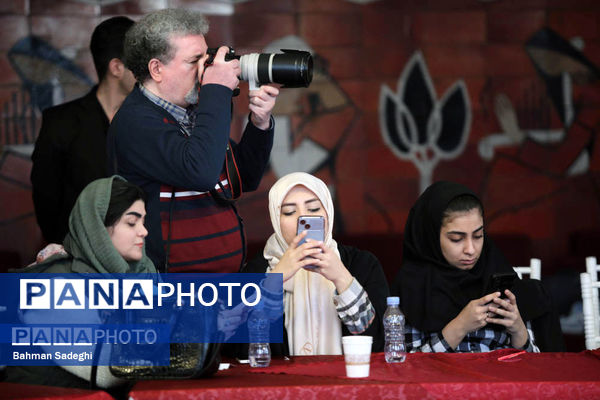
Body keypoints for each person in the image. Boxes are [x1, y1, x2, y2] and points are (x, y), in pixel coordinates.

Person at [107, 9, 279, 274]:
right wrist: (217, 91)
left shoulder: (194, 112)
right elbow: (200, 172)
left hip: (218, 289)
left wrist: (260, 122)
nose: (205, 69)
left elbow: (245, 177)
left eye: (206, 57)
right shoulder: (136, 121)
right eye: (194, 60)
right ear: (156, 69)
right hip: (170, 290)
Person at [5, 175, 157, 395]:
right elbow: (106, 370)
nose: (144, 231)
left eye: (143, 222)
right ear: (97, 230)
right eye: (132, 222)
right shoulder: (53, 287)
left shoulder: (137, 276)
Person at [393, 180, 563, 353]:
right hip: (444, 380)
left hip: (504, 378)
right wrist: (459, 327)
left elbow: (536, 370)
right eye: (456, 239)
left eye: (478, 236)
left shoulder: (497, 274)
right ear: (431, 238)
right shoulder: (414, 288)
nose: (471, 250)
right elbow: (406, 369)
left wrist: (519, 330)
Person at [242, 172, 388, 356]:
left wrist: (342, 278)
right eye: (289, 212)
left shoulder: (363, 264)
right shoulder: (256, 269)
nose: (303, 219)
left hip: (347, 382)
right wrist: (274, 279)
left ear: (328, 212)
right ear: (275, 220)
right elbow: (238, 347)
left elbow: (377, 344)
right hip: (281, 382)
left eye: (313, 210)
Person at [31, 16, 136, 244]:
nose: (149, 69)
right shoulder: (61, 123)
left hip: (141, 260)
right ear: (117, 67)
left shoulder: (149, 121)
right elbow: (47, 203)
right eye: (138, 61)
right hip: (79, 260)